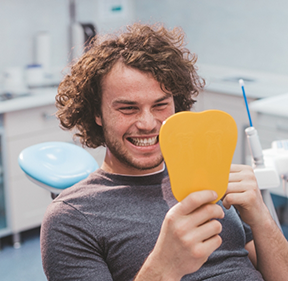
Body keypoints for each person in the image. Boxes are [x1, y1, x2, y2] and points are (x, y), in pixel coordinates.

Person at [40, 23, 288, 281]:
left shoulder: (207, 176)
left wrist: (261, 218)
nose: (147, 124)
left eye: (160, 106)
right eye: (128, 109)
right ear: (96, 113)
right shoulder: (71, 217)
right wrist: (165, 266)